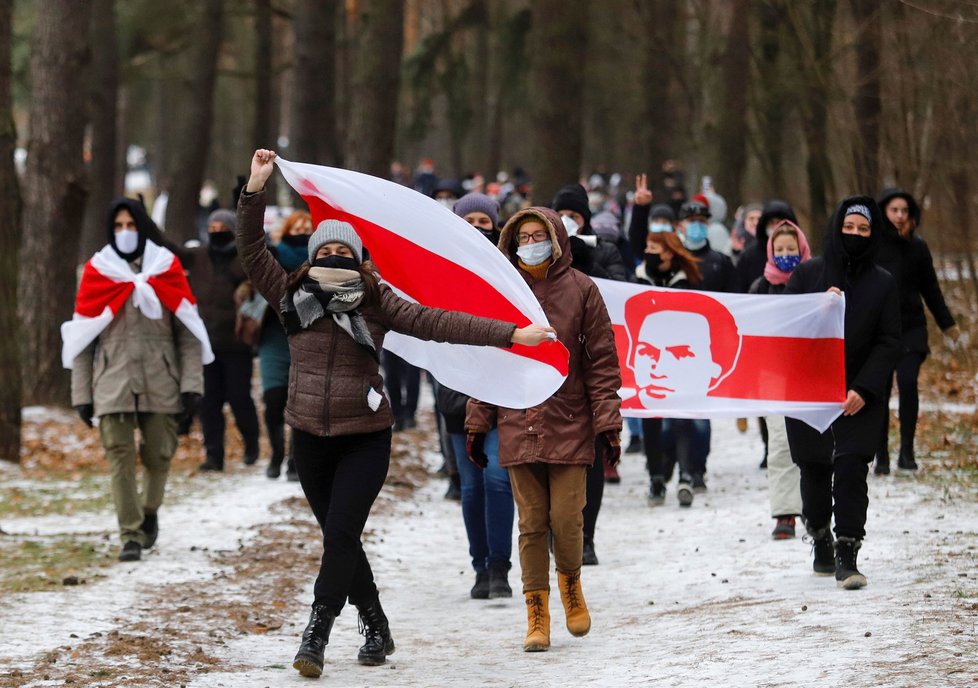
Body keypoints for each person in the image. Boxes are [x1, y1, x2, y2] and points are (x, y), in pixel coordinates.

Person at [239, 149, 554, 678]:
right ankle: (377, 625)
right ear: (313, 256)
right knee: (340, 538)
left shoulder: (376, 300)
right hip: (310, 436)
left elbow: (438, 322)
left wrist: (511, 334)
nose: (335, 256)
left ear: (359, 258)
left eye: (345, 250)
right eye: (327, 249)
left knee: (340, 535)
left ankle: (316, 633)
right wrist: (255, 188)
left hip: (365, 436)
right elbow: (251, 250)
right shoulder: (290, 295)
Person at [466, 206, 622, 653]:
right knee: (532, 522)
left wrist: (608, 423)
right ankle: (537, 611)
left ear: (556, 240)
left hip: (571, 419)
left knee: (566, 518)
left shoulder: (583, 290)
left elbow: (602, 363)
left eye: (539, 235)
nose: (530, 243)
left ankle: (571, 587)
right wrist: (479, 422)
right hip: (519, 420)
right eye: (523, 236)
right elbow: (488, 362)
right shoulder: (504, 292)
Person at [66, 198, 207, 562]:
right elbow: (82, 339)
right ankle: (129, 534)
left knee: (160, 455)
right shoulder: (99, 272)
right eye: (118, 226)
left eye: (131, 225)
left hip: (162, 379)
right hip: (112, 382)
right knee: (120, 458)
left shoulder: (166, 267)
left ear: (142, 227)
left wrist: (192, 384)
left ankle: (148, 512)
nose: (125, 232)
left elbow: (188, 332)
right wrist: (82, 394)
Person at [784, 196, 900, 590]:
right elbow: (787, 332)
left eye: (863, 229)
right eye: (848, 227)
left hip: (860, 394)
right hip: (810, 393)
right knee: (815, 469)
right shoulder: (807, 276)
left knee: (852, 467)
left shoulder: (883, 283)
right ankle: (820, 537)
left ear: (873, 234)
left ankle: (848, 552)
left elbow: (889, 341)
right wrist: (819, 309)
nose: (854, 234)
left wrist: (865, 388)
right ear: (836, 228)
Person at [441, 192, 515, 599]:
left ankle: (501, 566)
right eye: (467, 221)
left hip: (503, 392)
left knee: (498, 480)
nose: (476, 229)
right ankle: (480, 566)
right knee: (471, 486)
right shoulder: (440, 268)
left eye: (484, 222)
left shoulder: (509, 270)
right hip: (457, 392)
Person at [552, 185, 628, 564]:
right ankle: (558, 532)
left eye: (575, 216)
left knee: (592, 459)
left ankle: (587, 536)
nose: (569, 221)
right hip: (554, 370)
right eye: (562, 214)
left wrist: (587, 258)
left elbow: (620, 290)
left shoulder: (605, 250)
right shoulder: (540, 252)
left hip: (591, 368)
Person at [872, 188, 958, 474]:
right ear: (884, 211)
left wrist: (947, 324)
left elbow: (930, 288)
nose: (899, 216)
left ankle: (906, 451)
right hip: (879, 330)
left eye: (904, 211)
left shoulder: (917, 246)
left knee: (908, 383)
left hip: (911, 328)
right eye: (894, 210)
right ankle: (881, 453)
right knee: (879, 391)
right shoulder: (872, 245)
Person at [184, 209, 261, 472]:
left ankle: (252, 443)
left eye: (222, 227)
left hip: (237, 344)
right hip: (206, 346)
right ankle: (214, 456)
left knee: (240, 399)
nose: (217, 232)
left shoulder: (244, 259)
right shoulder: (198, 258)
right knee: (209, 403)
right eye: (212, 227)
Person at [749, 220, 813, 539]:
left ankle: (815, 508)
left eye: (792, 249)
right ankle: (785, 512)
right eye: (780, 249)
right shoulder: (761, 287)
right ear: (770, 252)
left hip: (810, 375)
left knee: (814, 444)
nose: (786, 254)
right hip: (772, 376)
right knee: (780, 444)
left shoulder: (816, 280)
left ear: (802, 249)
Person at [257, 209, 314, 479]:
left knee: (299, 402)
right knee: (273, 399)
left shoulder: (320, 261)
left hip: (306, 336)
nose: (303, 229)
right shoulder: (275, 254)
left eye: (308, 225)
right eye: (297, 225)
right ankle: (276, 452)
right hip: (273, 337)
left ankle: (294, 458)